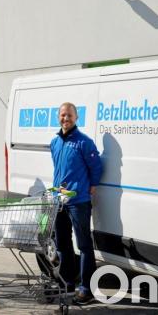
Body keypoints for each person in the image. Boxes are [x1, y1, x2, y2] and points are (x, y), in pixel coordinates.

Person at [50, 102, 103, 304]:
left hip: (78, 201)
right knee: (63, 244)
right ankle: (67, 282)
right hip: (59, 201)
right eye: (63, 115)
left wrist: (92, 185)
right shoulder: (55, 142)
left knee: (84, 245)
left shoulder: (84, 142)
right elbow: (58, 168)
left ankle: (87, 288)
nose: (66, 118)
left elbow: (96, 166)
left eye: (69, 115)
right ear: (59, 118)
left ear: (76, 117)